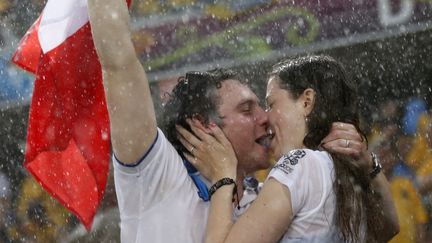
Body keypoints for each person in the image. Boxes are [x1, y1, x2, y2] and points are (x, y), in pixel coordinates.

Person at [87, 1, 398, 242]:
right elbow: (119, 65)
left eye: (264, 106)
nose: (265, 118)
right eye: (248, 110)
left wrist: (366, 165)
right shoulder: (155, 171)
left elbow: (380, 231)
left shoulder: (266, 194)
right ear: (203, 124)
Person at [178, 55, 399, 242]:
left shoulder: (300, 164)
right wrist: (370, 166)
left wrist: (223, 178)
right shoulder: (344, 172)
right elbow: (389, 228)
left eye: (271, 104)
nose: (265, 116)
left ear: (306, 101)